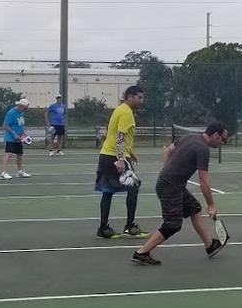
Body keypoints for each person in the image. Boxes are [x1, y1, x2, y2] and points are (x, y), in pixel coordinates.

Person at [131, 122, 229, 266]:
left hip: (171, 184)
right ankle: (142, 252)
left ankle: (210, 246)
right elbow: (204, 182)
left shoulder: (189, 137)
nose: (222, 143)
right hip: (170, 187)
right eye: (223, 139)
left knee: (194, 208)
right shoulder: (203, 149)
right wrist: (211, 205)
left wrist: (166, 170)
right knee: (173, 224)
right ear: (215, 135)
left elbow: (167, 151)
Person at [95, 85, 146, 239]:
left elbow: (116, 134)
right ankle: (130, 226)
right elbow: (120, 136)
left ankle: (103, 228)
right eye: (139, 97)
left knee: (108, 191)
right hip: (114, 156)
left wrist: (130, 152)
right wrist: (121, 159)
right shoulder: (126, 113)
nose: (141, 101)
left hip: (105, 155)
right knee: (134, 186)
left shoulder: (120, 109)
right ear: (130, 97)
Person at [0, 98, 32, 180]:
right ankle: (3, 173)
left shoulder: (22, 113)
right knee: (8, 153)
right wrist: (14, 134)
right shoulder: (11, 113)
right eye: (24, 108)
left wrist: (23, 135)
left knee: (19, 154)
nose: (25, 110)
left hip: (19, 138)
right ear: (20, 106)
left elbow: (20, 125)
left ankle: (20, 171)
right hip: (10, 138)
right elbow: (5, 125)